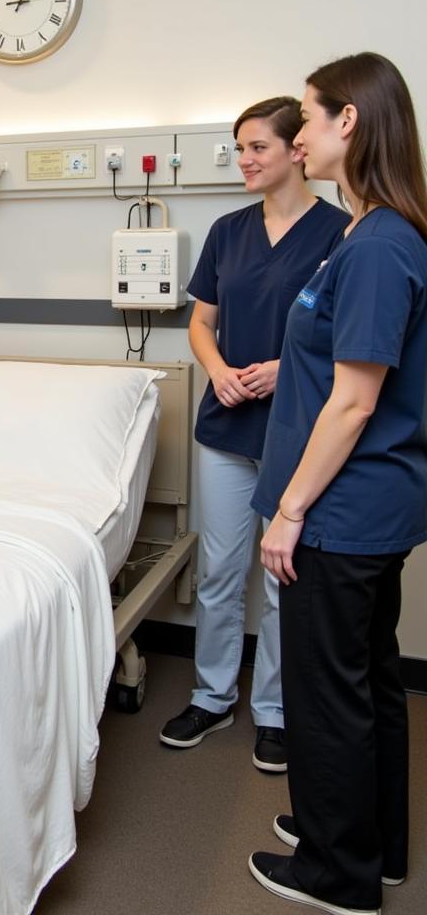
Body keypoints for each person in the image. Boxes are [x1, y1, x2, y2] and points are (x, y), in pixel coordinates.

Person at [248, 53, 427, 915]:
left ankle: (336, 872)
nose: (304, 134)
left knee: (329, 695)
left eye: (311, 120)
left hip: (340, 513)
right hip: (366, 510)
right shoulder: (368, 233)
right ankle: (373, 843)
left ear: (347, 123)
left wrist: (288, 511)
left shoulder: (382, 243)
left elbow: (353, 403)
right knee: (369, 682)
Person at [159, 97, 348, 771]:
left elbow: (347, 340)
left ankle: (273, 709)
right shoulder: (227, 231)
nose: (244, 160)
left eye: (257, 147)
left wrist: (282, 371)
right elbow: (200, 323)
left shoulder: (340, 233)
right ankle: (212, 696)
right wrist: (219, 372)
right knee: (219, 569)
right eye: (239, 148)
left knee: (279, 576)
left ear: (298, 151)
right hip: (226, 424)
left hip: (296, 432)